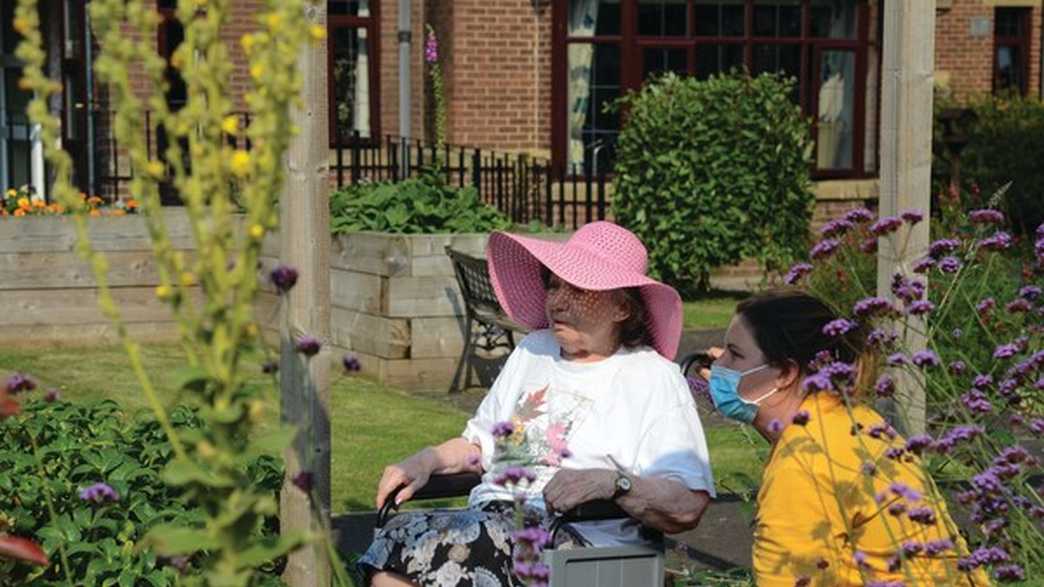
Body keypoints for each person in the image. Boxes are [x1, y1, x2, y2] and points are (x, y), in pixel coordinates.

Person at [358, 221, 715, 587]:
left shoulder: (653, 377)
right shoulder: (533, 351)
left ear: (622, 307)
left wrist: (615, 483)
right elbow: (481, 447)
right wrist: (425, 460)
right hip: (492, 526)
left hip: (583, 542)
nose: (556, 300)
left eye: (577, 289)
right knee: (400, 545)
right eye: (554, 285)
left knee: (448, 541)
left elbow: (687, 504)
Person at [702, 289, 988, 586]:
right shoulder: (849, 421)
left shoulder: (802, 465)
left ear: (785, 373)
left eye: (734, 354)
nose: (718, 363)